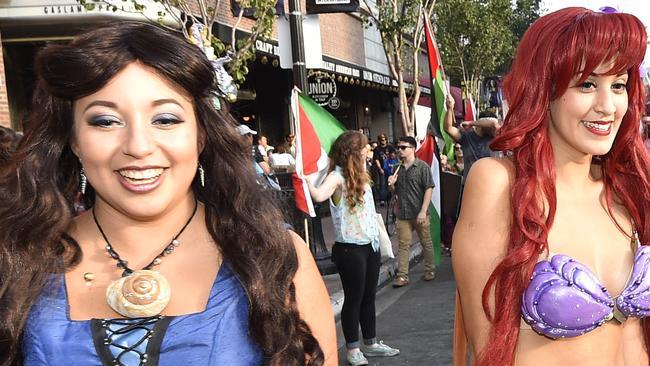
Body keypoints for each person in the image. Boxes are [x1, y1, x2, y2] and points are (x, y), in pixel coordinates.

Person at [0, 21, 337, 365]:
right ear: (73, 139)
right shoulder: (19, 259)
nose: (138, 146)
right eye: (105, 121)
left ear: (200, 134)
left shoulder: (274, 257)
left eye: (165, 119)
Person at [453, 8, 650, 366]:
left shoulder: (629, 191)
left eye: (618, 85)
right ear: (544, 89)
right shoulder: (498, 185)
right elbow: (489, 348)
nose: (608, 106)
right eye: (587, 84)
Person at [304, 131, 399, 366]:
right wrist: (305, 179)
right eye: (364, 148)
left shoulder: (363, 175)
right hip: (350, 249)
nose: (368, 151)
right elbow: (319, 195)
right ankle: (353, 349)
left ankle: (371, 343)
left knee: (369, 297)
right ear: (352, 152)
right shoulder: (336, 178)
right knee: (354, 299)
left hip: (371, 245)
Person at [387, 136, 436, 287]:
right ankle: (402, 276)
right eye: (398, 148)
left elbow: (429, 188)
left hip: (419, 212)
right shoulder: (397, 168)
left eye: (403, 148)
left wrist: (423, 210)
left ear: (412, 149)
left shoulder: (422, 167)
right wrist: (391, 185)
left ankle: (430, 269)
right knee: (403, 245)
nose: (400, 151)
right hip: (403, 213)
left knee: (426, 242)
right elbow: (395, 193)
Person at [443, 95, 500, 182]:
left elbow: (494, 124)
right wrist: (450, 109)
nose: (493, 130)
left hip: (491, 187)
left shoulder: (496, 138)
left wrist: (471, 123)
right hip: (470, 187)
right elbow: (448, 128)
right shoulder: (467, 137)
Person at [372, 133, 391, 205]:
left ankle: (389, 199)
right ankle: (382, 200)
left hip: (390, 168)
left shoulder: (390, 147)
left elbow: (394, 156)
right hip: (382, 168)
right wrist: (380, 169)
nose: (383, 141)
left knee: (389, 184)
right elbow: (376, 160)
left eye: (384, 139)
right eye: (381, 140)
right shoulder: (377, 149)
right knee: (382, 184)